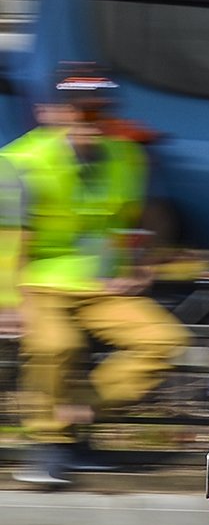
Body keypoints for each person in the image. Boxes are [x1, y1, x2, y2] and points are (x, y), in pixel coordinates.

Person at [0, 70, 190, 489]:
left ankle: (77, 413)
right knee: (55, 346)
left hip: (101, 285)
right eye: (76, 109)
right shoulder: (19, 162)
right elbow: (8, 238)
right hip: (39, 281)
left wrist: (139, 265)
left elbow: (130, 221)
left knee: (164, 341)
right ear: (46, 112)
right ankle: (49, 446)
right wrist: (8, 303)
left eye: (98, 110)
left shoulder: (126, 156)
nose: (88, 118)